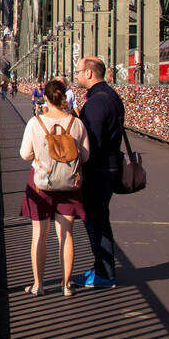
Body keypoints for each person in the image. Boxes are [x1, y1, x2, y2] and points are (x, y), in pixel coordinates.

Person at [19, 80, 90, 296]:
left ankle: (38, 285)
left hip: (41, 183)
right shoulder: (76, 124)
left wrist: (41, 156)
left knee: (39, 234)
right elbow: (86, 156)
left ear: (46, 99)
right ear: (64, 98)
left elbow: (24, 154)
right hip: (69, 184)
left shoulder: (35, 123)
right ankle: (66, 285)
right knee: (66, 234)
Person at [74, 56, 123, 288]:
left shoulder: (95, 103)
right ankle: (101, 268)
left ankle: (104, 273)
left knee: (96, 221)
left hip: (98, 170)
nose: (76, 75)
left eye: (78, 71)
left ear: (90, 73)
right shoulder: (111, 97)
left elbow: (91, 141)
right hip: (110, 166)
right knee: (100, 219)